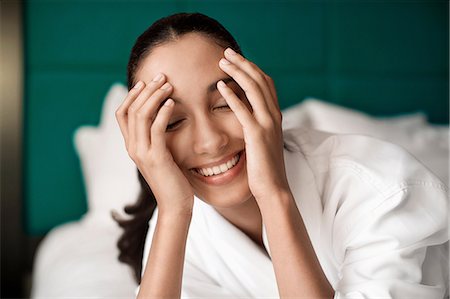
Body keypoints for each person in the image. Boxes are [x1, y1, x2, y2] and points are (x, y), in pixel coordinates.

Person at [113, 12, 449, 298]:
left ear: (260, 96)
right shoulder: (181, 223)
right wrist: (172, 212)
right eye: (172, 122)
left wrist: (273, 195)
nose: (210, 142)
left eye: (224, 103)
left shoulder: (382, 190)